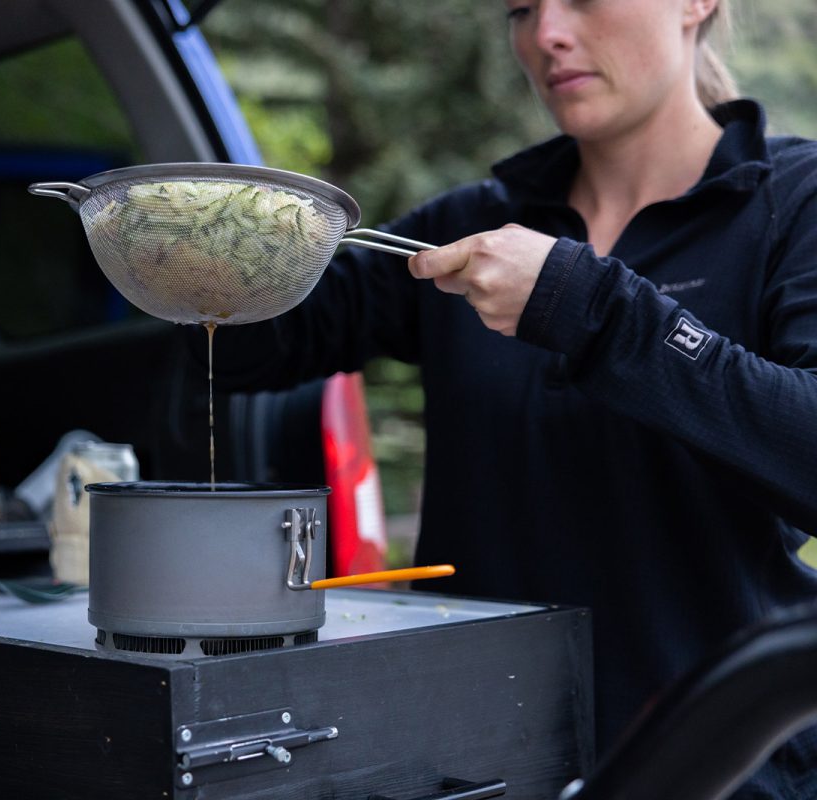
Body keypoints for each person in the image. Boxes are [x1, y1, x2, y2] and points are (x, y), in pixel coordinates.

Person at [203, 0, 817, 796]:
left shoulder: (790, 206)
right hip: (473, 769)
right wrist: (181, 247)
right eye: (521, 8)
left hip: (720, 767)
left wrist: (591, 308)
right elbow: (258, 341)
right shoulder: (474, 225)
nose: (546, 35)